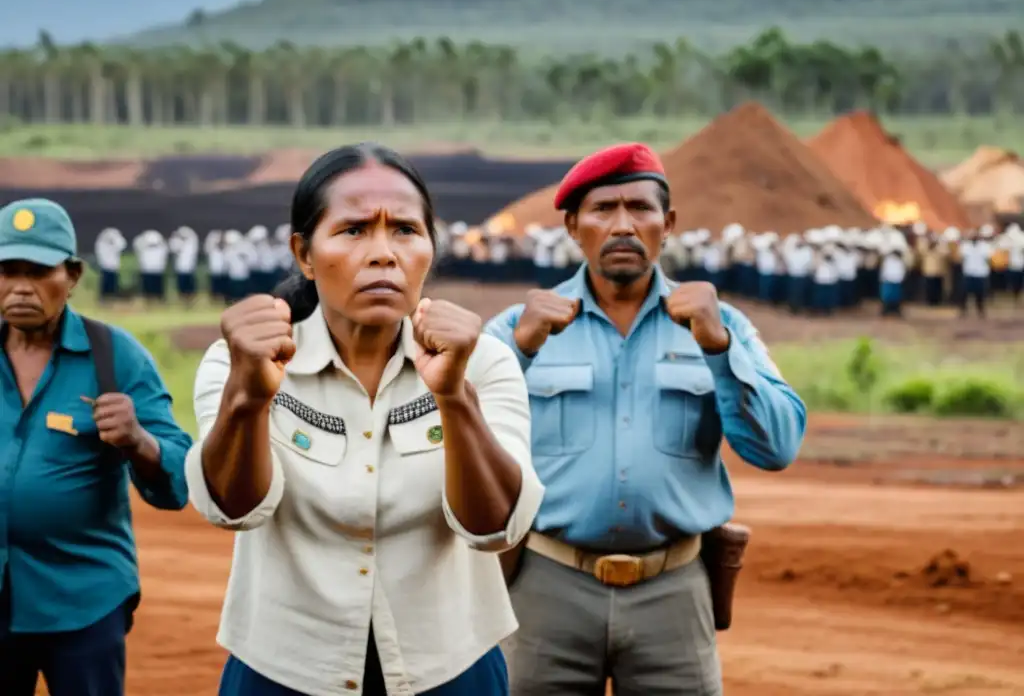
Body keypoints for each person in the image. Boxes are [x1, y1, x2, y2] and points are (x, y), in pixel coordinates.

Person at [185, 143, 544, 696]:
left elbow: (495, 527)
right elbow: (234, 509)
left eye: (404, 229)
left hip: (449, 668)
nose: (383, 253)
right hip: (285, 670)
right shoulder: (243, 361)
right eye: (353, 230)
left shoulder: (484, 362)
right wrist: (247, 401)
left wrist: (453, 397)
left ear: (429, 247)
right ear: (304, 254)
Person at [484, 143, 807, 696]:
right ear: (572, 225)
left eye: (640, 208)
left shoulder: (722, 323)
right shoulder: (519, 327)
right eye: (603, 210)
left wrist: (719, 348)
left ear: (669, 223)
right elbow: (453, 442)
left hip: (673, 591)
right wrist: (517, 352)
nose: (623, 225)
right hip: (547, 584)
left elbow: (776, 447)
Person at [0, 199, 192, 696]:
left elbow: (177, 478)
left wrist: (138, 439)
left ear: (73, 274)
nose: (20, 286)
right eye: (6, 270)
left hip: (83, 600)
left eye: (39, 271)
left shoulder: (115, 355)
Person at [959, 230, 992, 318]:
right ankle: (963, 310)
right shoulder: (965, 246)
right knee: (964, 293)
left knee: (980, 294)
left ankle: (980, 311)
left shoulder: (985, 246)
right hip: (969, 272)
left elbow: (988, 259)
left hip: (980, 273)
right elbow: (962, 258)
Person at [133, 229, 168, 305]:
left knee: (158, 289)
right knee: (148, 290)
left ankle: (159, 301)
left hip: (157, 270)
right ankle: (149, 301)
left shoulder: (161, 247)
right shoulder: (144, 246)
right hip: (147, 270)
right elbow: (137, 244)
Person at [94, 227, 127, 304]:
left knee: (113, 285)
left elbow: (122, 245)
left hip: (114, 267)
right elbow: (100, 252)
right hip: (105, 267)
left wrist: (115, 239)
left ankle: (112, 299)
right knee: (105, 284)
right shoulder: (101, 244)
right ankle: (103, 299)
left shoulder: (115, 244)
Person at [169, 226, 200, 305]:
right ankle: (183, 301)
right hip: (180, 268)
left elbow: (194, 238)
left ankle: (190, 300)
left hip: (189, 268)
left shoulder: (191, 243)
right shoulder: (178, 243)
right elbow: (172, 247)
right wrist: (175, 237)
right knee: (181, 287)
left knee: (190, 287)